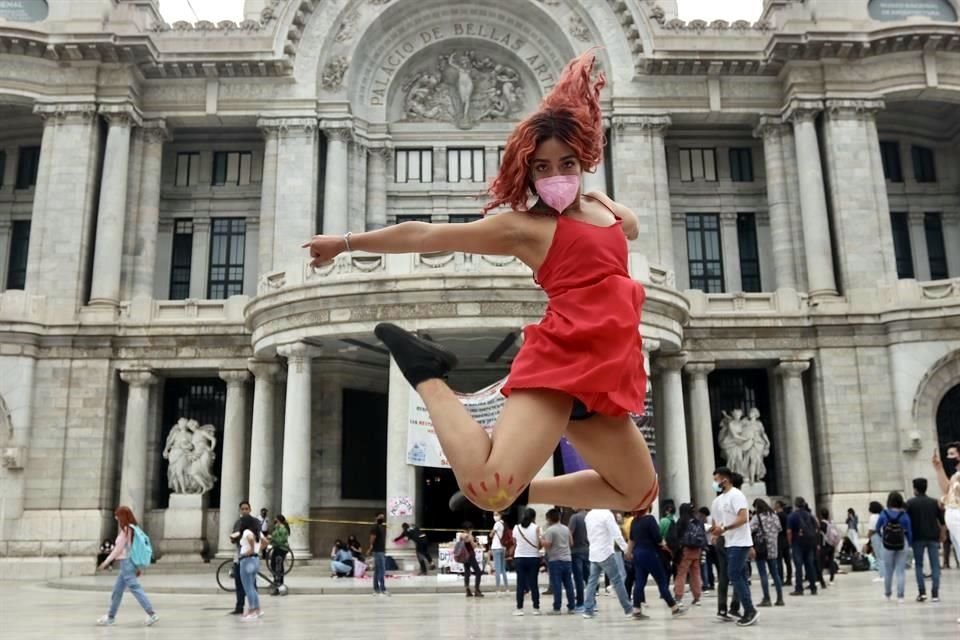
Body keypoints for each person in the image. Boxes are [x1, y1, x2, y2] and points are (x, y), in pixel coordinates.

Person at [304, 51, 658, 523]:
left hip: (606, 370)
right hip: (563, 361)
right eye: (543, 168)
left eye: (566, 163)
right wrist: (344, 242)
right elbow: (426, 234)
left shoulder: (601, 205)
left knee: (638, 493)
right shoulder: (525, 228)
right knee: (487, 490)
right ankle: (427, 373)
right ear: (527, 172)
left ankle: (525, 494)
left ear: (583, 159)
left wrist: (616, 210)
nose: (556, 176)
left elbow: (629, 227)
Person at [709, 467, 758, 627]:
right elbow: (718, 522)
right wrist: (716, 531)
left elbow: (744, 518)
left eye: (716, 480)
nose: (715, 483)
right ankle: (745, 609)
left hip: (739, 541)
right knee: (740, 575)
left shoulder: (736, 495)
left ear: (725, 479)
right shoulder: (720, 499)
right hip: (729, 541)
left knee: (734, 574)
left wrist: (725, 528)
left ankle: (749, 610)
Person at [95, 506, 159, 627]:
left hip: (126, 564)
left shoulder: (126, 530)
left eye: (117, 516)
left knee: (135, 589)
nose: (116, 518)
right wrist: (137, 567)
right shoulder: (133, 528)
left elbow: (118, 550)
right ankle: (110, 617)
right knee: (117, 591)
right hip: (129, 564)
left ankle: (152, 613)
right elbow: (132, 549)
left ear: (122, 517)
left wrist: (105, 562)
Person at [627, 507, 687, 619]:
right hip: (650, 554)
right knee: (662, 581)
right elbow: (658, 538)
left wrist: (629, 552)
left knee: (639, 582)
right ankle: (674, 607)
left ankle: (636, 610)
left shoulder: (635, 521)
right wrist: (665, 546)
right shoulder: (650, 519)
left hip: (638, 554)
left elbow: (631, 539)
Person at [582, 508, 632, 619]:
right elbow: (617, 534)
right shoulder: (607, 514)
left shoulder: (589, 515)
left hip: (594, 553)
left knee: (592, 582)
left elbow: (589, 536)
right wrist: (626, 549)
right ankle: (628, 609)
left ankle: (588, 610)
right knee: (617, 581)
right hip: (606, 553)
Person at [906, 477, 943, 603]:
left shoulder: (910, 503)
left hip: (917, 537)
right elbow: (941, 521)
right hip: (933, 536)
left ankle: (922, 593)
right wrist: (942, 535)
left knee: (919, 565)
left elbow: (907, 521)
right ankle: (935, 593)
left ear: (915, 489)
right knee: (935, 565)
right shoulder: (934, 502)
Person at [876, 491, 914, 603]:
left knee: (888, 571)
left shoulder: (884, 513)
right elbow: (910, 531)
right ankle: (900, 596)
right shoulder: (904, 515)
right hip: (902, 543)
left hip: (887, 544)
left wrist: (882, 536)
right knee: (900, 570)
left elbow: (877, 528)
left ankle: (888, 594)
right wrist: (910, 543)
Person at [541, 508, 575, 614]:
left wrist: (541, 540)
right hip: (567, 559)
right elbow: (571, 543)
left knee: (557, 585)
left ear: (549, 519)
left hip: (555, 560)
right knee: (569, 584)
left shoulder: (550, 530)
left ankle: (557, 608)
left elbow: (548, 545)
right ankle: (571, 607)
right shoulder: (566, 528)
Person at [750, 499, 784, 607]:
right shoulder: (774, 516)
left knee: (763, 573)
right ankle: (780, 598)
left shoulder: (757, 517)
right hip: (773, 548)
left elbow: (750, 529)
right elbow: (779, 529)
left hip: (761, 548)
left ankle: (767, 598)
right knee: (775, 573)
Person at [673, 503, 705, 606]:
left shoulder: (682, 521)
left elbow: (676, 536)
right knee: (695, 574)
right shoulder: (698, 522)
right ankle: (697, 597)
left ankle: (678, 597)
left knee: (681, 574)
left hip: (685, 550)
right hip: (697, 550)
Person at [512, 508, 542, 615]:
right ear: (534, 517)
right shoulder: (537, 528)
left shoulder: (516, 528)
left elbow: (515, 543)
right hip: (534, 558)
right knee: (534, 583)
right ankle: (536, 608)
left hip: (519, 557)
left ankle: (519, 608)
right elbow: (539, 545)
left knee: (520, 583)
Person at [787, 497, 819, 596]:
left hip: (797, 543)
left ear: (795, 504)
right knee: (810, 565)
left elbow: (789, 531)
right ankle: (813, 587)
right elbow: (817, 527)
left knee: (798, 566)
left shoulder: (792, 516)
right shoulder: (810, 515)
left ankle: (799, 588)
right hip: (809, 543)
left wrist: (790, 543)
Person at [236, 513, 264, 621]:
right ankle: (258, 609)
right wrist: (258, 550)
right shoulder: (257, 532)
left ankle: (252, 611)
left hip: (247, 560)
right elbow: (266, 541)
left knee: (248, 587)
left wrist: (251, 550)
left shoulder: (247, 532)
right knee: (252, 586)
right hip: (255, 559)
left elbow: (250, 538)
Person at [227, 501, 252, 615]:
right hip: (239, 556)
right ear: (240, 510)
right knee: (239, 583)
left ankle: (253, 607)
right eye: (242, 509)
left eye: (246, 508)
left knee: (251, 584)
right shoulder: (238, 523)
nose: (244, 510)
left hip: (250, 556)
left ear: (250, 509)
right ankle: (239, 606)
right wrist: (234, 537)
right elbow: (234, 537)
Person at [568, 507, 589, 612]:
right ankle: (592, 602)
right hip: (588, 550)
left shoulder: (575, 517)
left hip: (576, 551)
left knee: (578, 578)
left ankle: (580, 602)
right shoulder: (590, 516)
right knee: (589, 577)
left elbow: (569, 534)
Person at [459, 525, 484, 598]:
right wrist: (477, 544)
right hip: (470, 555)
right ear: (469, 529)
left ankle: (467, 590)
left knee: (467, 571)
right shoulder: (470, 536)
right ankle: (477, 590)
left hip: (464, 556)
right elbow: (473, 546)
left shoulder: (461, 535)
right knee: (478, 572)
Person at [267, 514, 290, 593]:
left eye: (275, 520)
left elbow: (281, 540)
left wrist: (272, 538)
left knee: (278, 566)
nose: (274, 521)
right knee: (273, 565)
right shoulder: (277, 528)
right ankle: (276, 581)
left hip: (281, 548)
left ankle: (279, 583)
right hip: (276, 548)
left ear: (279, 520)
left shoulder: (283, 529)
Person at [367, 514, 389, 596]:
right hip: (378, 551)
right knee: (381, 570)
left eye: (383, 517)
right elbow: (372, 538)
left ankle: (376, 589)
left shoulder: (381, 527)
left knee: (377, 571)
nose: (382, 518)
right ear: (376, 518)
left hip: (381, 551)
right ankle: (382, 589)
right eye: (380, 517)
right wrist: (370, 547)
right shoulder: (375, 527)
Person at [489, 512, 510, 592]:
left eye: (496, 515)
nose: (495, 516)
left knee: (497, 569)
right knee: (503, 569)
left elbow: (491, 535)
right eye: (494, 515)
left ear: (500, 515)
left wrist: (491, 532)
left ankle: (498, 588)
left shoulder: (497, 524)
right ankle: (507, 588)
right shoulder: (503, 524)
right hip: (503, 547)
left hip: (496, 547)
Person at [867, 500, 886, 583]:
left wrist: (868, 536)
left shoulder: (873, 517)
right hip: (882, 536)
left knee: (879, 556)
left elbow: (871, 529)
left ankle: (882, 575)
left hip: (875, 537)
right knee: (883, 556)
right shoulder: (881, 515)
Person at [698, 506, 716, 591]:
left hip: (708, 545)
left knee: (708, 565)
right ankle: (712, 583)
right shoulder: (711, 518)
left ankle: (710, 583)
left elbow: (709, 528)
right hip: (713, 544)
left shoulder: (704, 520)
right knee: (717, 565)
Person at [774, 500, 792, 585]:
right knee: (787, 561)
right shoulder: (786, 515)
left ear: (778, 505)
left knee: (779, 561)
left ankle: (780, 579)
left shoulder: (777, 516)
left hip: (779, 539)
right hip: (785, 539)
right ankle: (789, 579)